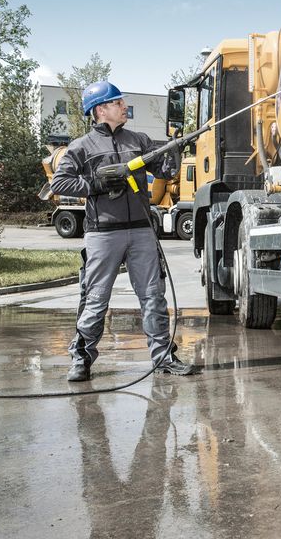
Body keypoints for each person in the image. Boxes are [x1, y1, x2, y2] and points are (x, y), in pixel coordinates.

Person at [51, 80, 196, 381]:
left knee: (153, 296)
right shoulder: (81, 148)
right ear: (101, 110)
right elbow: (60, 183)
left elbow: (166, 172)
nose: (123, 106)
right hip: (103, 234)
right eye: (117, 103)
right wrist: (95, 185)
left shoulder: (139, 140)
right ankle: (81, 359)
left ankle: (163, 357)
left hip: (142, 230)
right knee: (95, 298)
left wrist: (176, 150)